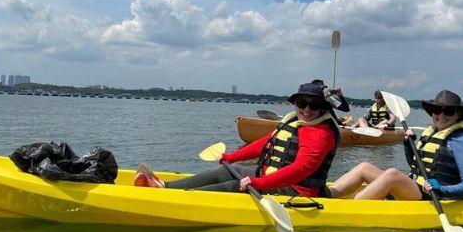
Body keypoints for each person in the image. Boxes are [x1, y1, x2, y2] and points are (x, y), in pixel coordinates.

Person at [135, 83, 341, 197]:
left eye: (313, 106)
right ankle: (166, 187)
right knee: (226, 170)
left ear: (324, 108)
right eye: (302, 103)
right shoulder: (296, 121)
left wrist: (257, 183)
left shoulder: (321, 133)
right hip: (273, 177)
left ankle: (176, 200)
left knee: (234, 185)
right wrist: (231, 157)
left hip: (298, 191)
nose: (306, 109)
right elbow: (266, 144)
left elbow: (300, 170)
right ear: (295, 102)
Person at [329, 90, 463, 200]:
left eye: (448, 112)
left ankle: (354, 206)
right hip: (415, 188)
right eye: (437, 110)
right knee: (365, 167)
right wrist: (407, 144)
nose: (441, 115)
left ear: (458, 114)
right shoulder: (432, 132)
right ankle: (326, 195)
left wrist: (441, 189)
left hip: (434, 195)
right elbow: (414, 165)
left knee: (392, 174)